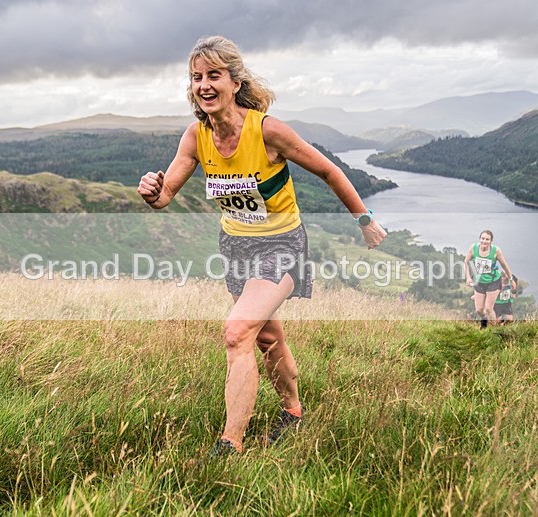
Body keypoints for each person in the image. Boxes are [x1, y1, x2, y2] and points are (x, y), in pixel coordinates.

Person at [137, 35, 386, 456]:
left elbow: (329, 171)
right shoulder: (196, 137)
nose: (204, 85)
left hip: (281, 245)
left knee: (237, 333)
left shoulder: (267, 130)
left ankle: (230, 443)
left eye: (214, 75)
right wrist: (151, 190)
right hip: (235, 248)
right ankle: (293, 411)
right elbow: (165, 198)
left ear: (236, 82)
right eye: (197, 77)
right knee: (266, 336)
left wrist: (365, 221)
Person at [465, 230, 514, 328]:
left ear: (491, 241)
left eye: (487, 239)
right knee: (479, 310)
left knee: (488, 308)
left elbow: (504, 265)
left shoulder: (496, 251)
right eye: (482, 238)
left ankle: (493, 329)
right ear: (480, 239)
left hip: (493, 282)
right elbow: (466, 261)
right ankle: (485, 320)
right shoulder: (473, 248)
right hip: (479, 281)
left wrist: (511, 279)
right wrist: (468, 277)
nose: (484, 241)